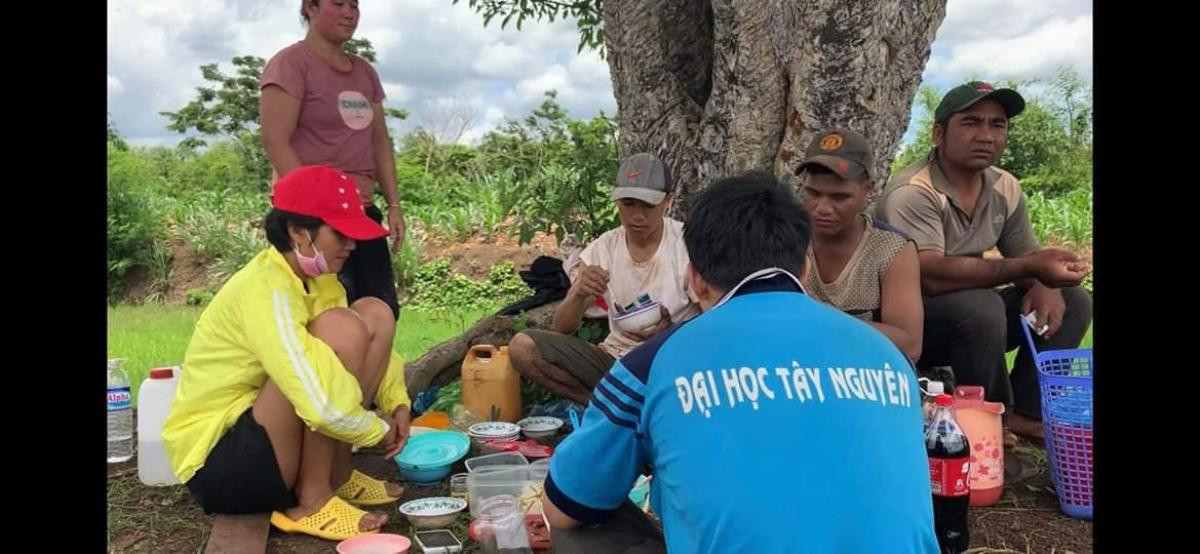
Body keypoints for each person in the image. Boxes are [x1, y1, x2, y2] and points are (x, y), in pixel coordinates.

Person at [542, 172, 939, 553]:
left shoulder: (653, 362)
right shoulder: (888, 356)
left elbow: (563, 509)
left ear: (695, 280)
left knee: (579, 524)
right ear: (803, 267)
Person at [163, 166, 413, 542]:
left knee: (373, 313)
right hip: (224, 465)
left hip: (267, 437)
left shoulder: (318, 278)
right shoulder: (267, 290)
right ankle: (311, 500)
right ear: (298, 232)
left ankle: (337, 476)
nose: (352, 245)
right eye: (340, 234)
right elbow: (319, 402)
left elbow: (364, 356)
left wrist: (397, 403)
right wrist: (377, 430)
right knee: (338, 332)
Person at [875, 81, 1093, 442]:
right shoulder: (914, 191)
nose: (986, 135)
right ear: (938, 134)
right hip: (915, 327)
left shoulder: (1004, 187)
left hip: (977, 325)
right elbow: (928, 275)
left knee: (1075, 300)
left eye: (997, 125)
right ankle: (986, 417)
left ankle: (1025, 412)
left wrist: (1044, 282)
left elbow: (1026, 257)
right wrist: (1030, 269)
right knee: (982, 306)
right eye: (971, 122)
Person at [508, 153, 701, 405]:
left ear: (668, 202)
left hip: (672, 362)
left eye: (648, 205)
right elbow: (562, 327)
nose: (637, 216)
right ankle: (604, 409)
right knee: (522, 347)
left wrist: (668, 334)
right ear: (617, 200)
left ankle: (623, 410)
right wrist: (578, 293)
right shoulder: (603, 249)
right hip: (615, 359)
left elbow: (718, 318)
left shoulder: (688, 245)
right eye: (628, 204)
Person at [260, 0, 406, 321]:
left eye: (354, 5)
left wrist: (394, 205)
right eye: (337, 3)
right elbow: (275, 140)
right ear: (310, 8)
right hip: (313, 220)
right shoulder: (290, 65)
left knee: (379, 310)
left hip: (361, 214)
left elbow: (380, 142)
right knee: (327, 318)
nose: (349, 12)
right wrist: (313, 214)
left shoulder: (364, 72)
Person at [797, 128, 924, 362]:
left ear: (868, 189)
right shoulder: (786, 239)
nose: (822, 208)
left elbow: (909, 345)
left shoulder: (892, 249)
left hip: (867, 373)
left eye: (839, 197)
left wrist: (818, 319)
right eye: (813, 193)